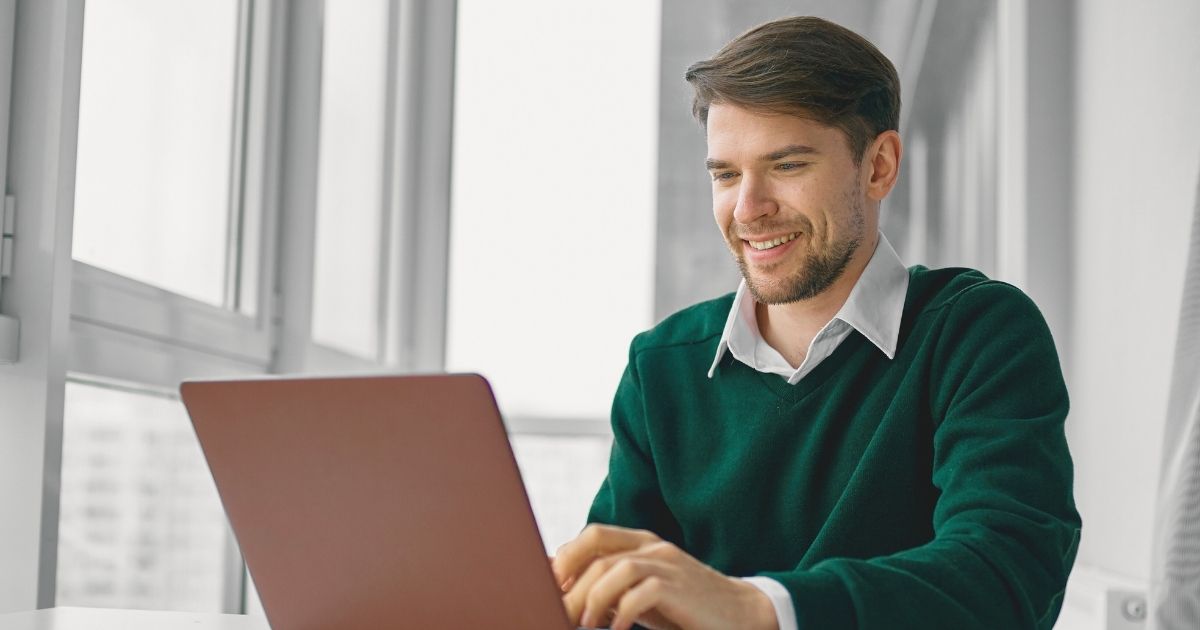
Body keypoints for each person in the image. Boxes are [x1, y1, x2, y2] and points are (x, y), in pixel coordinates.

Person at [549, 15, 1081, 630]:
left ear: (878, 166)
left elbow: (1007, 573)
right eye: (725, 174)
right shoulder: (661, 367)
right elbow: (615, 601)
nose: (748, 208)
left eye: (788, 165)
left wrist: (759, 608)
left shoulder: (978, 334)